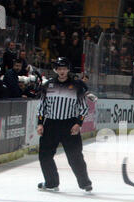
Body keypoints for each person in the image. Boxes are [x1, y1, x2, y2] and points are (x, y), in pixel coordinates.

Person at [36, 57, 93, 192]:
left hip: (69, 124)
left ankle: (85, 183)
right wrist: (40, 123)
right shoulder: (48, 85)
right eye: (59, 69)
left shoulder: (76, 86)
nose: (62, 71)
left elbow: (84, 108)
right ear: (55, 70)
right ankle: (51, 182)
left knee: (75, 156)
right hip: (51, 125)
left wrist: (78, 124)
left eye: (64, 69)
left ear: (68, 69)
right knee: (44, 155)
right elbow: (41, 107)